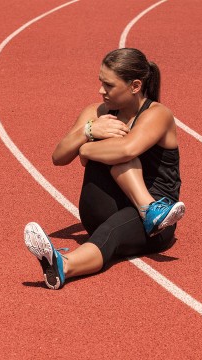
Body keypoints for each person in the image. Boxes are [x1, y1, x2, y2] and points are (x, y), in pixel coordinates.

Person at [24, 48, 185, 289]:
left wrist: (86, 149)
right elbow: (58, 157)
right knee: (105, 142)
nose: (101, 90)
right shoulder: (96, 112)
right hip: (99, 209)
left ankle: (62, 264)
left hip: (159, 225)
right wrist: (88, 131)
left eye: (108, 85)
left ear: (135, 86)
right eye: (101, 82)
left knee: (113, 231)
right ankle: (147, 211)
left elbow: (127, 151)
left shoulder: (158, 114)